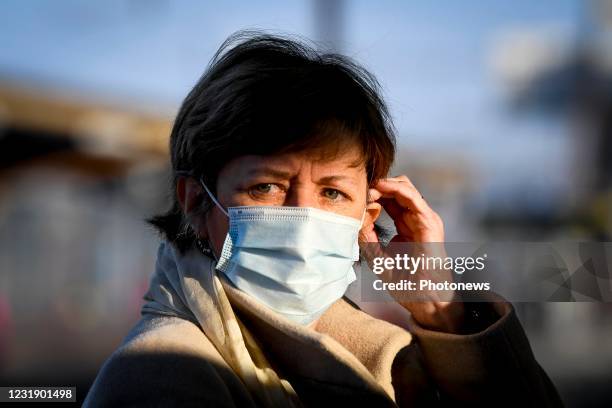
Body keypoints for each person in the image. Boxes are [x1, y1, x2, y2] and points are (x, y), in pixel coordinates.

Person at [84, 32, 563, 407]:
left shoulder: (397, 356)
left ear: (367, 216)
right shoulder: (163, 373)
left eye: (333, 192)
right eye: (265, 187)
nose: (303, 216)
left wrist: (442, 309)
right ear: (195, 201)